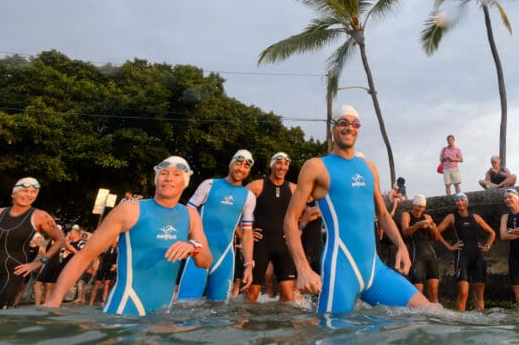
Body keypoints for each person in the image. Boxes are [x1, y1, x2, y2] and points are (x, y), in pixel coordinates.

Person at [283, 104, 432, 315]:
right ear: (333, 128)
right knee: (333, 336)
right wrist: (303, 268)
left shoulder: (369, 168)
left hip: (374, 270)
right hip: (341, 270)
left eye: (355, 124)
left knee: (430, 312)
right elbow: (290, 220)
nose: (349, 128)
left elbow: (381, 214)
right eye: (343, 123)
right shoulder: (316, 167)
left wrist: (401, 245)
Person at [45, 156, 213, 316]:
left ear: (185, 182)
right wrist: (54, 301)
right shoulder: (130, 210)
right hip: (125, 307)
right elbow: (85, 255)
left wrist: (193, 247)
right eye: (163, 173)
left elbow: (205, 261)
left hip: (163, 313)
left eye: (176, 175)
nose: (169, 178)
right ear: (157, 179)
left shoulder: (191, 215)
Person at [0, 177, 65, 309]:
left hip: (9, 275)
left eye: (34, 192)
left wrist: (39, 262)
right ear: (14, 192)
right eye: (25, 190)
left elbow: (61, 239)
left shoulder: (40, 216)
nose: (29, 195)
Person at [179, 150, 256, 301]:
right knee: (185, 306)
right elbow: (189, 212)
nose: (241, 169)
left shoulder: (249, 197)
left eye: (246, 166)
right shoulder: (209, 184)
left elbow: (247, 234)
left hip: (225, 257)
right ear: (231, 164)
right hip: (197, 252)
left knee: (219, 312)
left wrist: (248, 266)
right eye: (238, 163)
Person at [245, 151, 300, 302]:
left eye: (286, 163)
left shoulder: (294, 189)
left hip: (284, 245)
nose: (282, 167)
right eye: (278, 163)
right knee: (252, 294)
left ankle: (283, 326)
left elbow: (303, 216)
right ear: (272, 165)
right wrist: (242, 232)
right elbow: (235, 208)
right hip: (260, 244)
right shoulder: (257, 186)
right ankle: (247, 324)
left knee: (289, 297)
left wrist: (295, 236)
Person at [437, 193, 495, 310]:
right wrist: (449, 246)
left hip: (478, 257)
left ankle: (479, 323)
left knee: (479, 295)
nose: (460, 202)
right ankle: (460, 323)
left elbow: (492, 233)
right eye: (457, 201)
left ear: (467, 202)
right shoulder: (451, 217)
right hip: (462, 257)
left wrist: (487, 246)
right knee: (463, 292)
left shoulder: (476, 217)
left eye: (462, 200)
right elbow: (436, 232)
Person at [400, 194, 457, 304]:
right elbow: (405, 232)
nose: (420, 209)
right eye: (418, 206)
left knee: (434, 292)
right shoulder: (406, 215)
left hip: (430, 255)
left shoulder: (427, 217)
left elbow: (435, 238)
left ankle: (434, 318)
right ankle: (417, 318)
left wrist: (434, 229)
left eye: (422, 207)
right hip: (416, 255)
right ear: (413, 205)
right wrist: (418, 225)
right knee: (418, 291)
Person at [89, 238, 118, 306]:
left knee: (106, 284)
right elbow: (96, 254)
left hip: (111, 268)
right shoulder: (106, 247)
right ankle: (91, 302)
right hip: (102, 266)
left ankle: (103, 302)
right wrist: (95, 264)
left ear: (116, 241)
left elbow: (121, 258)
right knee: (97, 284)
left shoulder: (118, 249)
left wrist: (116, 265)